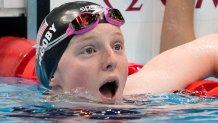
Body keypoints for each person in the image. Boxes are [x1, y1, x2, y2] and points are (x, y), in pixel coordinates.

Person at [35, 1, 218, 103]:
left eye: (117, 46)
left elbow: (210, 47)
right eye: (89, 50)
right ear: (52, 76)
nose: (111, 60)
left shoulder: (137, 94)